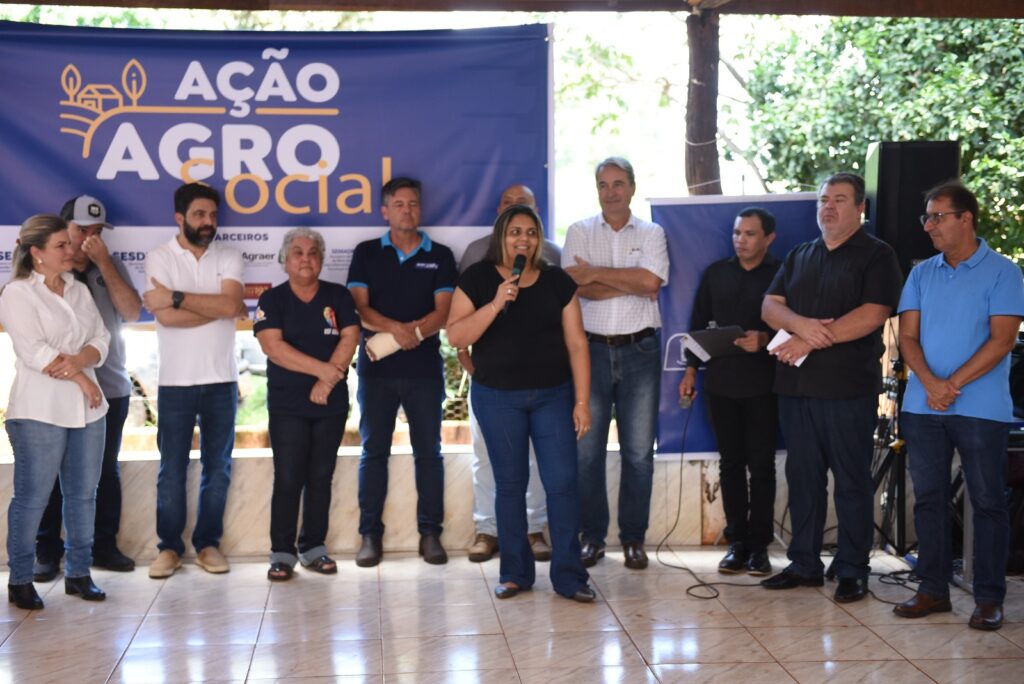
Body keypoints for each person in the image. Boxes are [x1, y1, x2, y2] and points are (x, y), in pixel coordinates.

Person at [760, 172, 902, 603]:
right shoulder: (801, 253)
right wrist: (800, 325)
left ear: (860, 208)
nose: (828, 207)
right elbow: (770, 306)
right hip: (796, 388)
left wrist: (808, 340)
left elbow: (873, 314)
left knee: (851, 481)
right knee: (803, 479)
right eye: (823, 199)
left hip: (847, 390)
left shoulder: (877, 255)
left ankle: (853, 568)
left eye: (839, 199)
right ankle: (804, 563)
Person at [447, 204, 595, 602]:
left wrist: (582, 401)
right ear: (502, 236)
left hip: (553, 396)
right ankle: (514, 573)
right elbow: (456, 336)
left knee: (562, 483)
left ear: (539, 239)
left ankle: (570, 576)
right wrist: (496, 303)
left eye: (531, 232)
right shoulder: (478, 278)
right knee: (510, 485)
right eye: (515, 232)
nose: (523, 239)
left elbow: (577, 345)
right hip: (498, 398)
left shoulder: (557, 281)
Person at [893, 182, 1024, 630]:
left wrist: (951, 385)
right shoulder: (920, 274)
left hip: (981, 409)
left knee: (987, 501)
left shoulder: (1004, 272)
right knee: (928, 499)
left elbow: (1002, 340)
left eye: (937, 216)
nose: (928, 226)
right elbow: (907, 337)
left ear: (965, 218)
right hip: (922, 406)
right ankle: (932, 589)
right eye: (926, 217)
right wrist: (932, 384)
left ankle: (988, 598)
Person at [563, 157, 669, 570]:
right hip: (589, 353)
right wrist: (628, 281)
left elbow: (651, 282)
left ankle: (633, 539)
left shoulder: (652, 233)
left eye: (618, 183)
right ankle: (592, 538)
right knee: (586, 453)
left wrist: (596, 275)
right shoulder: (579, 231)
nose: (611, 192)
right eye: (604, 184)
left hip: (640, 351)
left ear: (632, 187)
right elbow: (574, 286)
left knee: (638, 454)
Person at [0, 214, 111, 609]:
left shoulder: (78, 289)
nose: (71, 249)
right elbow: (34, 351)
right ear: (37, 253)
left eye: (70, 242)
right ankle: (20, 579)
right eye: (61, 245)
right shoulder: (17, 293)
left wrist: (81, 360)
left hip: (88, 412)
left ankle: (79, 574)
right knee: (33, 497)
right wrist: (82, 378)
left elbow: (102, 337)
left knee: (83, 495)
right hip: (38, 410)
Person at [347, 177, 457, 567]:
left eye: (413, 204)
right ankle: (369, 536)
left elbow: (444, 312)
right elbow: (359, 309)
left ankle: (431, 534)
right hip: (376, 370)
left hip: (424, 370)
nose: (407, 211)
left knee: (428, 453)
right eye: (399, 204)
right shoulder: (366, 253)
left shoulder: (440, 255)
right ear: (385, 211)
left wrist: (415, 334)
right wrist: (400, 331)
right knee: (373, 452)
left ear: (420, 209)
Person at [34, 195, 141, 582]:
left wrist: (104, 264)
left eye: (96, 232)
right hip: (58, 388)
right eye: (81, 230)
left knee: (104, 471)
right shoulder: (47, 271)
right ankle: (47, 550)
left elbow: (132, 312)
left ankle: (103, 546)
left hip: (109, 387)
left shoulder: (110, 267)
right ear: (63, 229)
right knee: (51, 472)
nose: (88, 239)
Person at [143, 182, 244, 579]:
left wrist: (178, 297)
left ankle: (207, 545)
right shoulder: (159, 257)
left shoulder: (228, 255)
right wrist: (215, 308)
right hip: (175, 382)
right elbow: (166, 318)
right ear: (179, 218)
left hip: (222, 379)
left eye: (213, 215)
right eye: (200, 214)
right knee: (172, 469)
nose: (208, 222)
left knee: (217, 467)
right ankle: (169, 548)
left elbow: (232, 305)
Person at [457, 184, 559, 563]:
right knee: (486, 456)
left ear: (536, 216)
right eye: (508, 205)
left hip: (541, 383)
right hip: (490, 380)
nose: (515, 212)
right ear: (498, 211)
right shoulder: (475, 253)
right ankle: (487, 530)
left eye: (523, 207)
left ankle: (534, 529)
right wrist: (466, 359)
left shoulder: (553, 255)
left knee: (533, 458)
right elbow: (460, 315)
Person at [679, 207, 781, 576]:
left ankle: (760, 546)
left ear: (768, 238)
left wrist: (765, 339)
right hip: (721, 383)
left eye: (750, 234)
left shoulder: (781, 274)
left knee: (762, 466)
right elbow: (696, 326)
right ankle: (737, 542)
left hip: (765, 385)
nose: (741, 240)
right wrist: (691, 369)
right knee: (731, 464)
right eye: (737, 233)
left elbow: (796, 327)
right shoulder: (716, 273)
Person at [254, 227, 360, 581]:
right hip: (288, 405)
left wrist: (327, 381)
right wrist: (324, 372)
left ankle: (314, 548)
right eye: (298, 252)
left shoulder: (338, 296)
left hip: (330, 403)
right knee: (288, 477)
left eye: (313, 253)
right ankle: (282, 553)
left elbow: (351, 336)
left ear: (322, 260)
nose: (306, 259)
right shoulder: (272, 300)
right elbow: (273, 348)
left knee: (320, 477)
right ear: (285, 260)